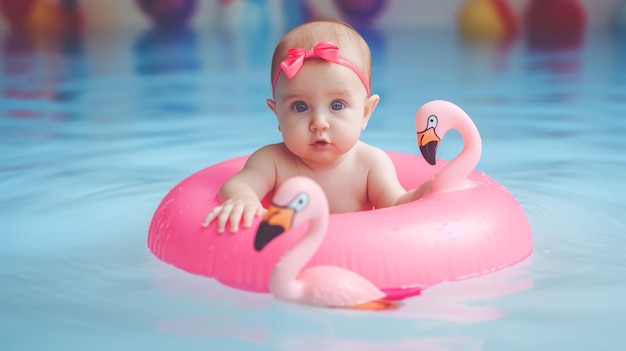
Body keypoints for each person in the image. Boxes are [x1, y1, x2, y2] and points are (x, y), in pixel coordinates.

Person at [202, 18, 427, 233]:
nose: (319, 123)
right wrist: (243, 199)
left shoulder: (370, 164)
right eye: (300, 107)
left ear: (365, 112)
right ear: (277, 114)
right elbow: (238, 185)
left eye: (337, 105)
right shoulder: (271, 162)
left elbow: (397, 205)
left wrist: (426, 193)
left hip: (355, 257)